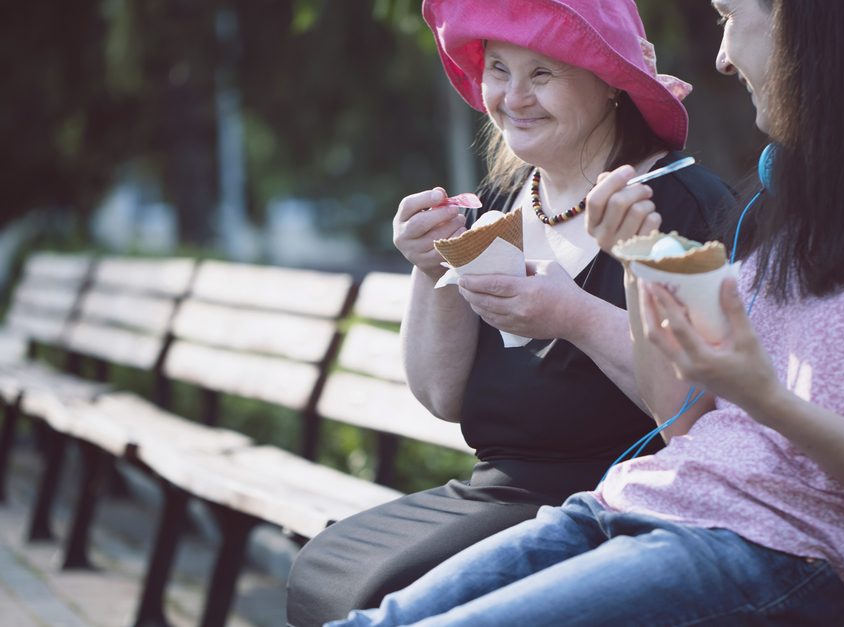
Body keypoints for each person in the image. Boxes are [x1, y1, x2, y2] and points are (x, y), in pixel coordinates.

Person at [327, 1, 844, 626]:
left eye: (730, 18)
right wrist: (640, 260)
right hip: (637, 506)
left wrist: (763, 394)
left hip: (782, 553)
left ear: (806, 25)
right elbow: (683, 421)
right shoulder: (799, 199)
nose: (719, 57)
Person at [284, 1, 733, 624]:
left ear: (611, 82)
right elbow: (442, 394)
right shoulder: (500, 201)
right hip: (493, 491)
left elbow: (706, 413)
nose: (513, 97)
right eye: (499, 70)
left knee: (376, 596)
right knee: (323, 569)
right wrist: (429, 265)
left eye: (542, 74)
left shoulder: (686, 207)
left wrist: (571, 315)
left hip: (609, 510)